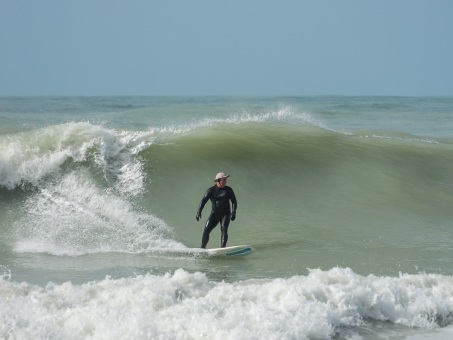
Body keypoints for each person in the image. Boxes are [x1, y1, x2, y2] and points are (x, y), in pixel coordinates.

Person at [196, 172, 237, 248]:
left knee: (224, 229)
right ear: (218, 181)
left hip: (225, 214)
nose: (226, 181)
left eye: (226, 179)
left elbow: (234, 201)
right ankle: (202, 248)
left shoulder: (228, 190)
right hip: (214, 214)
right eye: (224, 179)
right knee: (206, 230)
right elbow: (203, 201)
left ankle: (223, 249)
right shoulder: (211, 190)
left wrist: (233, 212)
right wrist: (199, 211)